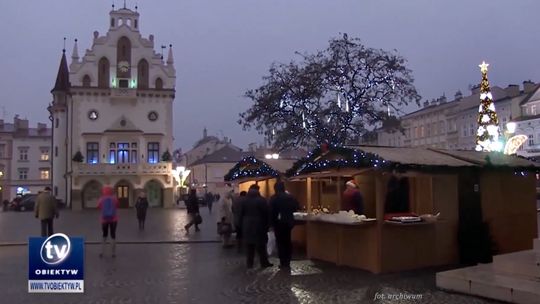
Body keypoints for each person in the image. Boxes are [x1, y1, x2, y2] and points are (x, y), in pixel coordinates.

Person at [240, 184, 273, 269]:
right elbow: (266, 213)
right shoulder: (262, 200)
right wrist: (267, 225)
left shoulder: (244, 200)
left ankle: (249, 265)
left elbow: (241, 213)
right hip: (259, 225)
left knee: (250, 247)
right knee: (261, 246)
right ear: (258, 190)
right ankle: (264, 262)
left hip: (247, 225)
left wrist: (242, 224)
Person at [269, 181, 299, 269]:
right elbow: (296, 207)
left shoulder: (274, 198)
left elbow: (271, 212)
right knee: (287, 241)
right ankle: (288, 260)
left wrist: (271, 224)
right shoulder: (290, 197)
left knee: (280, 243)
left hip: (278, 223)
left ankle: (283, 262)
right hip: (288, 222)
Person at [97, 186, 119, 258]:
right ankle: (113, 253)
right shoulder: (114, 199)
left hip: (104, 219)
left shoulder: (101, 199)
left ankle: (102, 252)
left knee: (104, 235)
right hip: (114, 219)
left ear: (104, 191)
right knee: (113, 235)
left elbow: (99, 207)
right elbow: (117, 206)